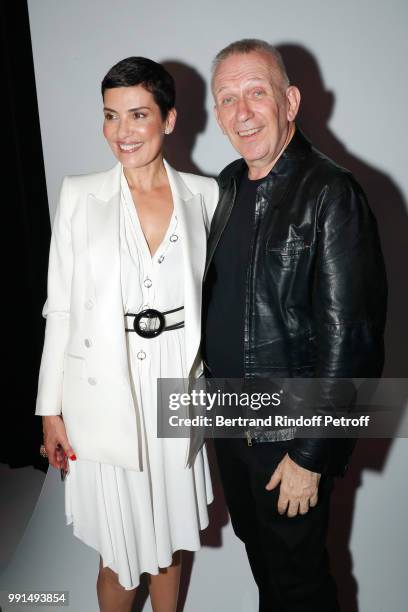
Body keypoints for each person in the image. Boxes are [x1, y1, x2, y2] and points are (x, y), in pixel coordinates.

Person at [202, 39, 387, 612]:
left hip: (289, 438)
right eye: (227, 99)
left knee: (301, 587)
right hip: (233, 428)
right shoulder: (227, 186)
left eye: (257, 92)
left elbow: (351, 342)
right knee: (268, 571)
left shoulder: (332, 192)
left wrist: (311, 454)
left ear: (292, 101)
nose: (242, 112)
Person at [35, 56, 218, 612]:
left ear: (169, 119)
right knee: (119, 551)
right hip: (102, 383)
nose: (122, 132)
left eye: (137, 114)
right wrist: (50, 408)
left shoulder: (206, 196)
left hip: (175, 382)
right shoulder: (78, 195)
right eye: (110, 116)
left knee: (166, 541)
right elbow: (60, 307)